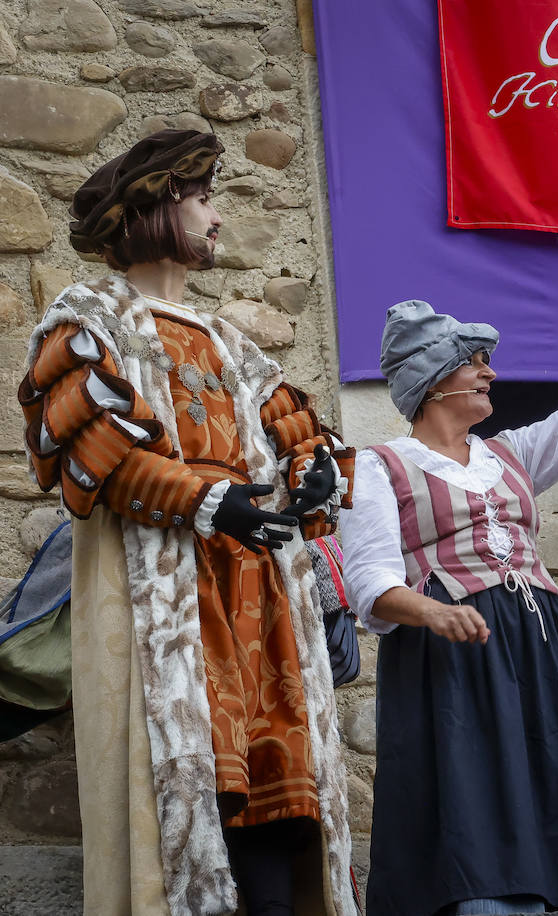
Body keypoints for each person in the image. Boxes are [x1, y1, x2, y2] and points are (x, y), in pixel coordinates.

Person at [17, 129, 357, 914]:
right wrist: (212, 500)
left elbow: (300, 435)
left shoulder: (232, 342)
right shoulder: (88, 318)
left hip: (259, 594)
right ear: (154, 206)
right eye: (204, 200)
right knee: (185, 778)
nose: (218, 220)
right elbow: (89, 450)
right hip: (167, 593)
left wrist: (310, 485)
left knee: (280, 788)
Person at [339, 269, 558, 915]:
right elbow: (368, 581)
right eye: (475, 363)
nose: (489, 374)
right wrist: (431, 610)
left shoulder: (510, 454)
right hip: (456, 660)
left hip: (546, 648)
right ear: (433, 381)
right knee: (477, 800)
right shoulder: (378, 467)